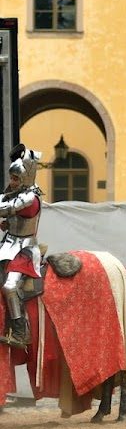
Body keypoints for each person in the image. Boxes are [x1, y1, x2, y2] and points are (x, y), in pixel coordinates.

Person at [0, 146, 46, 348]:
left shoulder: (30, 198)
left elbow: (6, 209)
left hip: (24, 249)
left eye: (16, 179)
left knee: (10, 286)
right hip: (8, 243)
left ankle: (20, 332)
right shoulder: (13, 193)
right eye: (11, 178)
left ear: (26, 178)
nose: (12, 182)